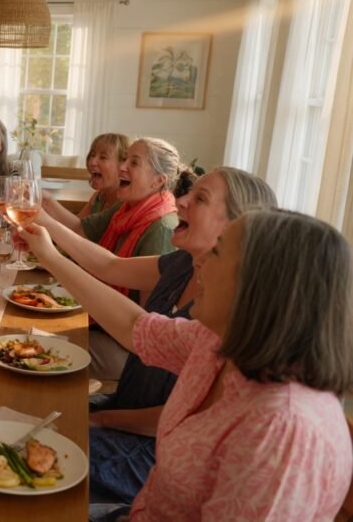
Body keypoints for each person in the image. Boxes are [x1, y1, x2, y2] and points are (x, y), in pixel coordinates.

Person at [19, 209, 353, 521]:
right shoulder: (216, 343)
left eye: (217, 252)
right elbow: (135, 327)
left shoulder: (282, 432)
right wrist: (49, 256)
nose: (200, 262)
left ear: (259, 285)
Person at [39, 168, 276, 505]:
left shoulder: (226, 318)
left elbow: (180, 418)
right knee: (33, 411)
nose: (180, 200)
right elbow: (112, 273)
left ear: (237, 227)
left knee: (35, 453)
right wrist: (44, 229)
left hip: (152, 448)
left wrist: (99, 420)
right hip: (124, 407)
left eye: (200, 198)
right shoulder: (183, 264)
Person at [40, 137, 191, 379]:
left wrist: (44, 226)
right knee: (33, 329)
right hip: (102, 323)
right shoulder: (126, 208)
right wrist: (45, 202)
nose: (123, 166)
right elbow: (81, 230)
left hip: (127, 349)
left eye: (134, 162)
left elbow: (145, 321)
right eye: (124, 159)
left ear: (158, 181)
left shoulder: (162, 227)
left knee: (38, 345)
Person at [78, 133, 130, 219]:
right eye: (92, 155)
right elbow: (76, 224)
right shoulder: (98, 197)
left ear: (123, 165)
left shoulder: (127, 204)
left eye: (103, 157)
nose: (92, 162)